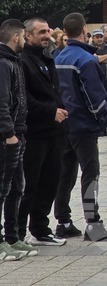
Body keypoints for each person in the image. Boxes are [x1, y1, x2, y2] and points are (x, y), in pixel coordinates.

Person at [54, 13, 107, 242]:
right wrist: (102, 120)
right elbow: (94, 97)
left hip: (63, 123)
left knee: (65, 174)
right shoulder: (86, 60)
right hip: (84, 124)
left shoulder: (58, 57)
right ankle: (93, 222)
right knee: (90, 174)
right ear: (84, 30)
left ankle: (63, 221)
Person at [18, 18, 68, 247]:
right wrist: (50, 111)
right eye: (41, 32)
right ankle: (16, 233)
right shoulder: (22, 61)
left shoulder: (47, 58)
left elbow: (55, 91)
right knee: (30, 185)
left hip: (55, 133)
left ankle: (40, 229)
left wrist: (61, 112)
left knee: (51, 181)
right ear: (27, 36)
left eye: (47, 31)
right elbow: (23, 98)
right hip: (34, 133)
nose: (46, 36)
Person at [0, 19, 33, 261]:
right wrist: (8, 134)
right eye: (23, 36)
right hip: (8, 137)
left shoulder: (13, 60)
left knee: (16, 187)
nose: (25, 40)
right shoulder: (4, 63)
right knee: (3, 188)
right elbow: (2, 102)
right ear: (15, 38)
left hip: (18, 133)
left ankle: (12, 237)